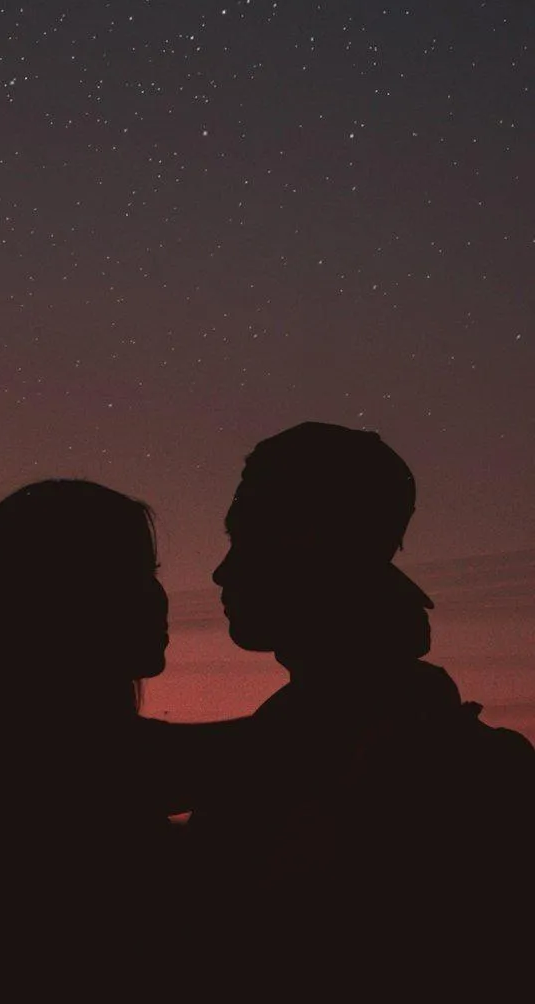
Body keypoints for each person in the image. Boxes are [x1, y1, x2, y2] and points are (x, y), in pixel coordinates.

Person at [186, 421, 535, 1001]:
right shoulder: (344, 729)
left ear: (310, 541)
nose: (223, 571)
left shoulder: (383, 759)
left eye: (246, 537)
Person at [0, 478, 243, 998]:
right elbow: (267, 750)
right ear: (62, 599)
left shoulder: (27, 750)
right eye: (135, 574)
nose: (159, 596)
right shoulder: (48, 757)